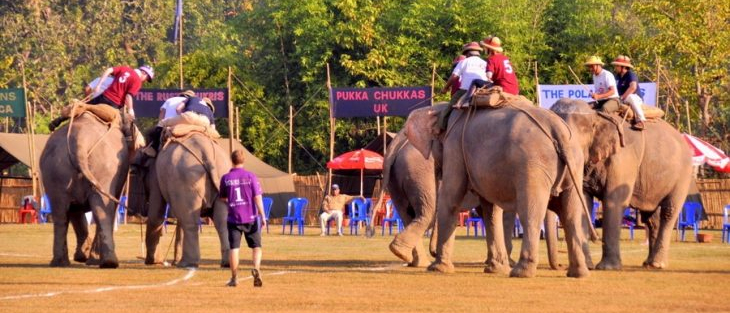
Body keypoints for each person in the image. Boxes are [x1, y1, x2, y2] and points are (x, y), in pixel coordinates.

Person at [48, 65, 153, 132]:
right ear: (143, 73)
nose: (144, 80)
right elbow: (128, 96)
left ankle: (57, 121)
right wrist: (131, 110)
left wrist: (99, 84)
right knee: (125, 129)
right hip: (114, 105)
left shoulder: (125, 68)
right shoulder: (137, 81)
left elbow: (108, 70)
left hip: (103, 97)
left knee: (81, 106)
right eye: (146, 78)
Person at [220, 149, 266, 288]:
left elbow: (222, 197)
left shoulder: (226, 178)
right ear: (243, 160)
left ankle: (234, 279)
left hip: (233, 218)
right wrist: (262, 215)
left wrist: (232, 201)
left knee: (234, 248)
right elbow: (257, 197)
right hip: (251, 217)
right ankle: (256, 269)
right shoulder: (251, 176)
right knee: (256, 247)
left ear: (232, 160)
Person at [144, 90, 195, 157]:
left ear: (181, 94)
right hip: (183, 127)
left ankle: (152, 151)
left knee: (150, 134)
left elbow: (162, 114)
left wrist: (159, 126)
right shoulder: (191, 102)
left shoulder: (170, 100)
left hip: (167, 126)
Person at [441, 42, 488, 109]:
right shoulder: (485, 63)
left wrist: (445, 88)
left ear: (467, 53)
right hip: (482, 90)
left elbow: (454, 76)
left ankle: (444, 118)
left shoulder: (464, 62)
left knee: (448, 109)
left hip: (465, 90)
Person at [612, 55, 646, 130]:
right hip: (622, 99)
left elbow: (633, 87)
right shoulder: (617, 76)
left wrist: (622, 97)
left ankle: (641, 120)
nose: (615, 67)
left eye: (617, 65)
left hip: (635, 98)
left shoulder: (630, 75)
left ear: (623, 67)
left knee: (630, 96)